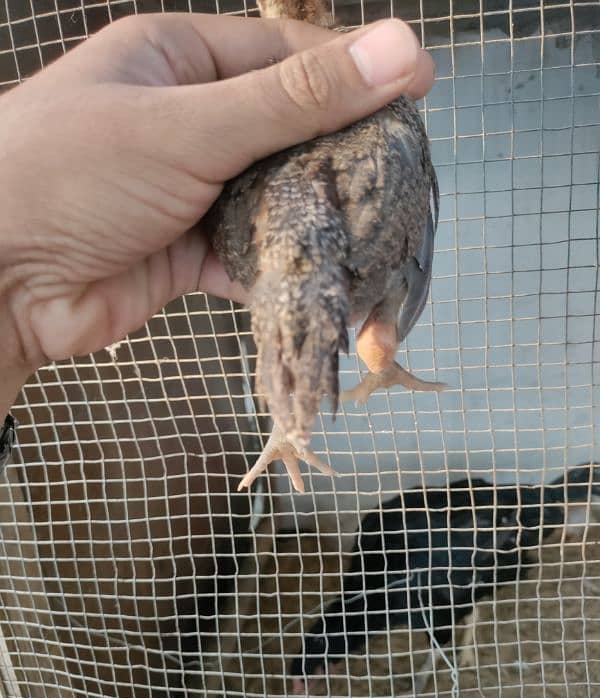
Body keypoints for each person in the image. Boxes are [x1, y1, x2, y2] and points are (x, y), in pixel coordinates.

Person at [0, 12, 435, 458]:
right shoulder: (372, 115)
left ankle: (302, 406)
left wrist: (15, 295)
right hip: (317, 235)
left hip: (265, 242)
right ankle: (355, 353)